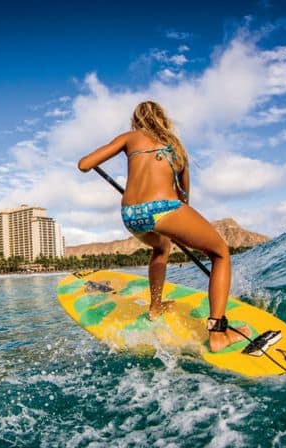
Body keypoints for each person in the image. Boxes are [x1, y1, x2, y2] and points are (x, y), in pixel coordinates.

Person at [77, 100, 249, 352]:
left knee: (161, 248)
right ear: (163, 120)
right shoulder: (175, 147)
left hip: (131, 214)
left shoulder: (129, 138)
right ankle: (218, 334)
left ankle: (155, 307)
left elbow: (84, 164)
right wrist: (178, 225)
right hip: (164, 209)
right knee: (220, 253)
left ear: (137, 121)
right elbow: (184, 198)